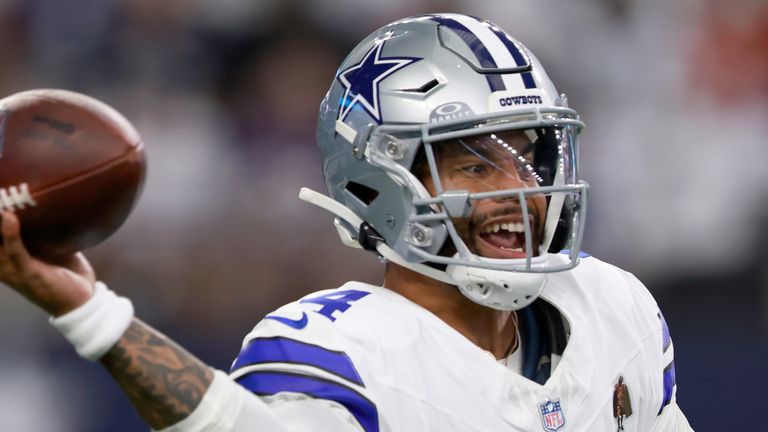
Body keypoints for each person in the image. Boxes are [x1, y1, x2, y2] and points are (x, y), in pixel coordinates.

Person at [0, 13, 692, 432]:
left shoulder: (611, 308)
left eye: (531, 157)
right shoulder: (345, 351)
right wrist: (93, 314)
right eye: (475, 166)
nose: (521, 189)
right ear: (379, 180)